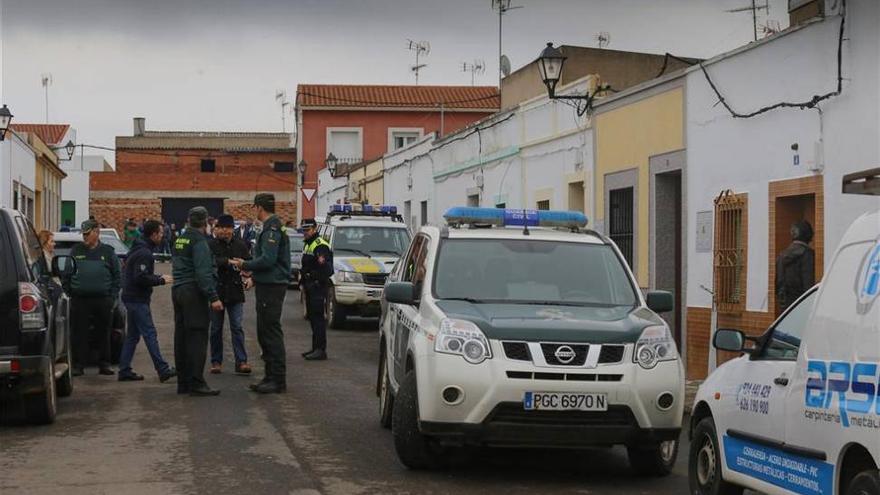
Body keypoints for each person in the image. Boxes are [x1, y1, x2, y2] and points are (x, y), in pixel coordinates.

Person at [230, 193, 290, 394]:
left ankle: (277, 379)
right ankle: (270, 376)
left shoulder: (272, 228)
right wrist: (254, 276)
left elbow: (268, 260)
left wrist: (244, 264)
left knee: (270, 332)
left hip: (272, 287)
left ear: (259, 208)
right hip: (267, 284)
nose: (253, 211)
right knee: (265, 332)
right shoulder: (269, 227)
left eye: (254, 207)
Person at [172, 206, 223, 396]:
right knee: (197, 337)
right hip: (193, 292)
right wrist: (213, 297)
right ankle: (197, 382)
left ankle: (183, 382)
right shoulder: (199, 241)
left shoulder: (180, 238)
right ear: (205, 222)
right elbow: (203, 272)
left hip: (178, 289)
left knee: (182, 338)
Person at [118, 220, 177, 383]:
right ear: (153, 235)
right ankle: (162, 369)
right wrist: (161, 279)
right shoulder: (144, 253)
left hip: (131, 297)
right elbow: (140, 277)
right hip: (137, 299)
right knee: (149, 333)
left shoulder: (138, 248)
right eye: (160, 233)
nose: (163, 235)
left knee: (133, 336)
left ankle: (124, 369)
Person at [64, 219, 121, 376]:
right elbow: (67, 274)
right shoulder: (76, 251)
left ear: (96, 232)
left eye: (87, 234)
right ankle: (78, 365)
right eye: (84, 234)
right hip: (80, 300)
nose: (85, 237)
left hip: (103, 299)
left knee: (103, 332)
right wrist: (70, 293)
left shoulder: (108, 252)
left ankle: (105, 364)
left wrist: (112, 297)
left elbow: (117, 275)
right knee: (79, 333)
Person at [208, 214, 253, 375]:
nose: (223, 231)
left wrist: (249, 278)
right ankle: (216, 361)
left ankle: (241, 361)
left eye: (226, 228)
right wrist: (228, 261)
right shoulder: (211, 244)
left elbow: (249, 264)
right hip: (217, 292)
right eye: (220, 228)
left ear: (231, 230)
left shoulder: (240, 245)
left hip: (235, 292)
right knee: (215, 329)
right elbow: (210, 261)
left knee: (237, 327)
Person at [298, 218, 333, 361]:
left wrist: (313, 278)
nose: (305, 233)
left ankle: (320, 350)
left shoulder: (320, 246)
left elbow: (326, 269)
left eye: (308, 230)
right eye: (304, 230)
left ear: (315, 228)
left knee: (318, 319)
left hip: (317, 286)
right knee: (313, 318)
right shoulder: (309, 244)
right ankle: (315, 347)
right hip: (310, 286)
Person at [775, 219, 816, 313]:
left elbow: (777, 282)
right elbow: (808, 283)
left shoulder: (782, 255)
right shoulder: (807, 255)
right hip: (801, 304)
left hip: (784, 304)